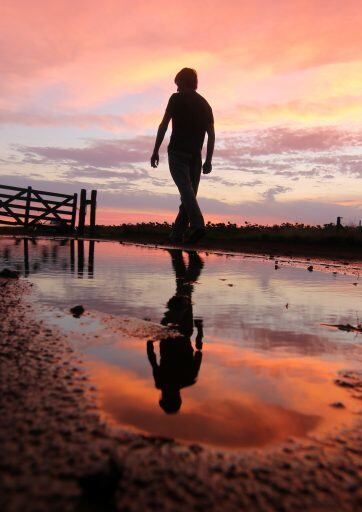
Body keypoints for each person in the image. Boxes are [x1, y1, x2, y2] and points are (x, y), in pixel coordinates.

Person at [150, 68, 215, 244]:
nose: (176, 88)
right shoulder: (205, 104)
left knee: (187, 193)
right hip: (196, 156)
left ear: (183, 82)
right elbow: (211, 135)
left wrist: (156, 150)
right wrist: (208, 160)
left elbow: (163, 125)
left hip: (178, 153)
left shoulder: (176, 99)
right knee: (189, 194)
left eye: (178, 84)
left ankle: (198, 225)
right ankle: (176, 235)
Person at [147, 250, 205, 414]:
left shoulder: (188, 379)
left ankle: (187, 262)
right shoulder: (168, 382)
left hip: (174, 331)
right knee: (183, 293)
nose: (164, 393)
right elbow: (198, 351)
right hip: (173, 330)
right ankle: (183, 261)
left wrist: (151, 334)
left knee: (184, 293)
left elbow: (199, 352)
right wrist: (151, 337)